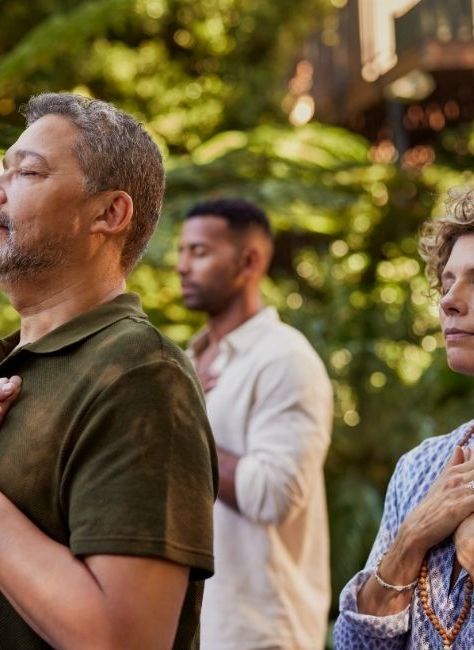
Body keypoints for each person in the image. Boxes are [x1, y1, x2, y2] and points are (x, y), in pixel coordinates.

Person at [0, 93, 217, 649]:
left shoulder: (139, 373)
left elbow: (124, 639)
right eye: (1, 169)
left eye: (29, 171)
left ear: (109, 214)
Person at [334, 179, 474, 648]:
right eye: (447, 282)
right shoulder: (422, 469)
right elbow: (356, 644)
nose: (449, 300)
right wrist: (411, 539)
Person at [176, 198, 333, 650]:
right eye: (183, 251)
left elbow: (272, 494)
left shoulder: (284, 359)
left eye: (200, 252)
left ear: (250, 261)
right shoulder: (189, 361)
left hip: (259, 633)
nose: (183, 266)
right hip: (190, 627)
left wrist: (182, 427)